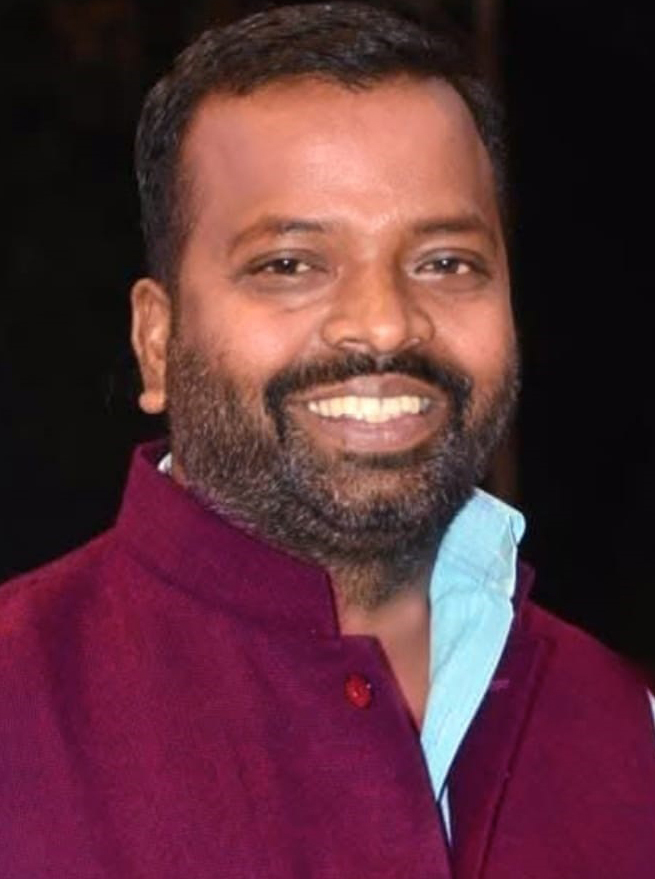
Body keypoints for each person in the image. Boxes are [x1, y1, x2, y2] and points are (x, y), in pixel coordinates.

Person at [1, 4, 653, 877]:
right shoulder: (19, 708)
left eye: (444, 262)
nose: (383, 323)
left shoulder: (623, 728)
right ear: (157, 342)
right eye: (289, 265)